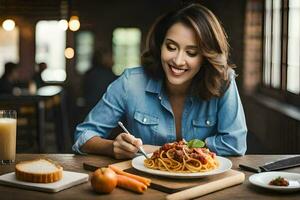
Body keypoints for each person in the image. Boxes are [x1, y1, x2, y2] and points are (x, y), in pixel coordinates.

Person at [73, 3, 247, 159]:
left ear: (206, 56)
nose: (178, 61)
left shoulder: (223, 80)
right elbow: (83, 136)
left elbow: (235, 144)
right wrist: (112, 147)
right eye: (171, 47)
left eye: (191, 52)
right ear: (160, 45)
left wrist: (167, 151)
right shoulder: (131, 82)